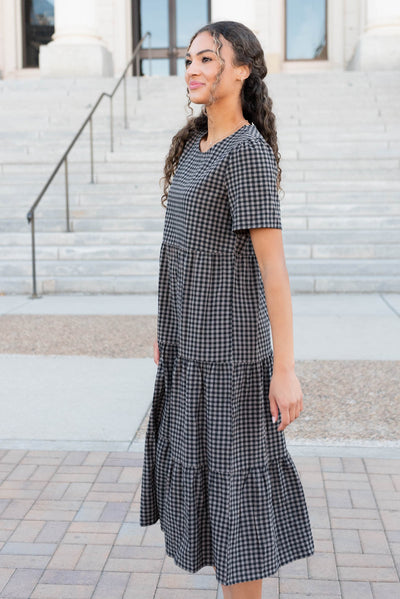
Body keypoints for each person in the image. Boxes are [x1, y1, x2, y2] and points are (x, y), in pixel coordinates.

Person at [140, 20, 314, 599]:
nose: (192, 68)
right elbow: (177, 251)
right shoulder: (192, 147)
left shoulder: (247, 154)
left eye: (208, 59)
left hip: (233, 363)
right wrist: (167, 328)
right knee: (210, 507)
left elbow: (274, 272)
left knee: (237, 509)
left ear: (240, 71)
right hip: (189, 354)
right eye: (189, 59)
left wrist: (283, 370)